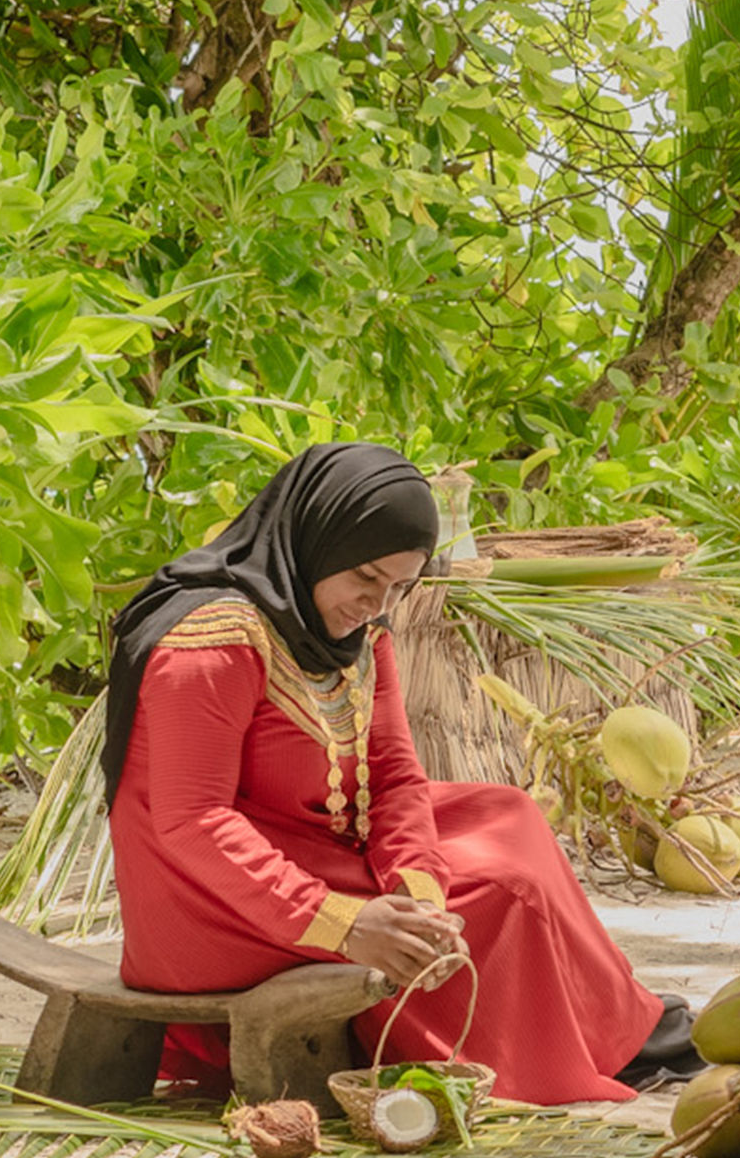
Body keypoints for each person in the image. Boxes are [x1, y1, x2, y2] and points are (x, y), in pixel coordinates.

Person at [103, 440, 681, 1101]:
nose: (378, 605)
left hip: (308, 838)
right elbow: (193, 823)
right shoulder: (212, 644)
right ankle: (583, 1052)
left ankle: (618, 1030)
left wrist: (417, 892)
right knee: (500, 886)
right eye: (367, 579)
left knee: (508, 816)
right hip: (205, 902)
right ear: (316, 542)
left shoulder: (351, 631)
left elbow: (394, 770)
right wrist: (347, 923)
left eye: (400, 586)